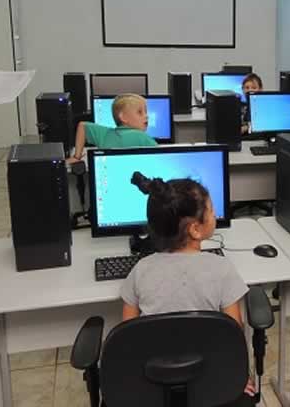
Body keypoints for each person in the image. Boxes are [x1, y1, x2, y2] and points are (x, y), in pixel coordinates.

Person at [120, 177, 255, 399]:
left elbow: (128, 336)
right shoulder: (222, 269)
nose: (215, 215)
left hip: (155, 386)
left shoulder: (140, 270)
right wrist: (237, 376)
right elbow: (234, 334)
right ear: (195, 229)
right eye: (211, 211)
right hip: (212, 383)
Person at [67, 93, 157, 162]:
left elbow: (82, 126)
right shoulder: (142, 137)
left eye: (146, 112)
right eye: (140, 112)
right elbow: (162, 154)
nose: (146, 116)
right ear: (123, 117)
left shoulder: (105, 134)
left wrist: (77, 157)